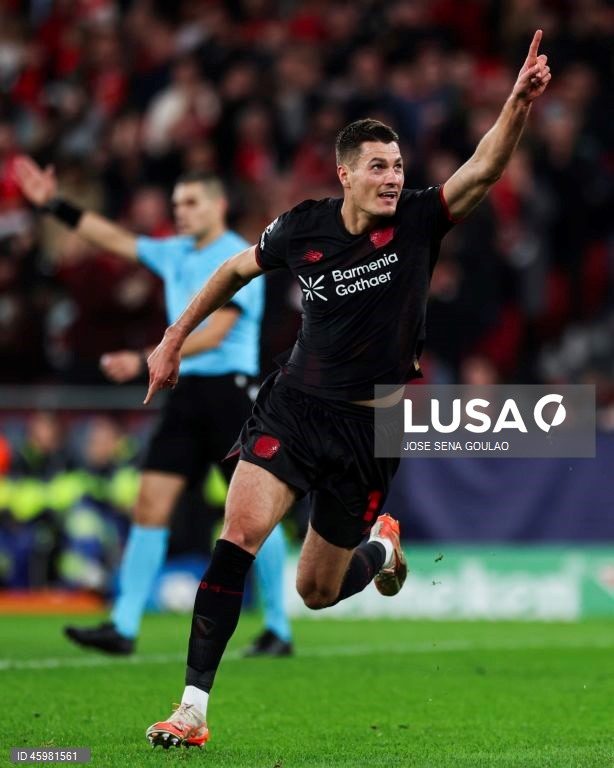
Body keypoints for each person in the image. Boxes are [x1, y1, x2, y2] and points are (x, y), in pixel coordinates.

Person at [142, 32, 549, 749]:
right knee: (236, 538)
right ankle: (192, 710)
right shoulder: (303, 228)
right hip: (294, 410)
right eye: (379, 167)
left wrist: (515, 105)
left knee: (317, 592)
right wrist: (173, 337)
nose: (394, 177)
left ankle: (382, 550)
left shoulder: (421, 222)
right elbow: (236, 269)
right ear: (345, 174)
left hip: (369, 430)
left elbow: (484, 170)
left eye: (398, 165)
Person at [14, 163, 293, 658]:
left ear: (218, 205)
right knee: (149, 505)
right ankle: (123, 625)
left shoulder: (238, 255)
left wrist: (153, 353)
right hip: (186, 395)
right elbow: (114, 239)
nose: (181, 213)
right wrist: (54, 203)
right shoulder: (174, 252)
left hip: (232, 394)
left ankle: (277, 627)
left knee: (251, 515)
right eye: (177, 205)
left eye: (191, 203)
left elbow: (218, 330)